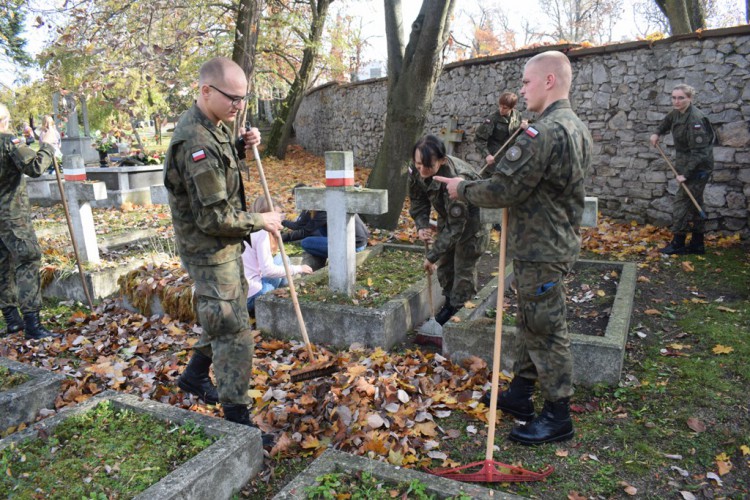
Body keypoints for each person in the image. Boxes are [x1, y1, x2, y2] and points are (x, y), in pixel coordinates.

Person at [435, 51, 593, 446]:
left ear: (549, 81)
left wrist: (462, 188)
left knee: (547, 329)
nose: (521, 91)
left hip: (542, 248)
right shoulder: (576, 127)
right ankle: (521, 395)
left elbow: (506, 189)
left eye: (526, 82)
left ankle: (558, 415)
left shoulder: (546, 132)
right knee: (531, 322)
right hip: (549, 243)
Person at [163, 57, 283, 444]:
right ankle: (237, 421)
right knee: (235, 332)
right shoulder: (195, 142)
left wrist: (241, 146)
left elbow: (222, 169)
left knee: (222, 316)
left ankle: (194, 376)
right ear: (206, 91)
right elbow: (213, 217)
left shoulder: (212, 127)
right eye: (232, 98)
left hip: (223, 248)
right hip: (210, 249)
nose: (238, 106)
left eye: (243, 99)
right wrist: (260, 221)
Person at [408, 134, 488, 329]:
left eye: (428, 166)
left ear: (441, 160)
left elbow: (457, 226)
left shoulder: (454, 178)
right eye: (418, 164)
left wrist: (432, 255)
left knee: (463, 270)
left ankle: (461, 316)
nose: (422, 170)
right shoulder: (417, 170)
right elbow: (418, 200)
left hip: (471, 223)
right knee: (446, 267)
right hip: (448, 218)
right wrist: (422, 225)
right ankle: (449, 304)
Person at [0, 104, 59, 340]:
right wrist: (48, 145)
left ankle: (12, 320)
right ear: (4, 120)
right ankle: (32, 324)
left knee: (3, 264)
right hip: (11, 215)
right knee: (27, 259)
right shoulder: (8, 142)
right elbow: (35, 167)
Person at [650, 84, 715, 255]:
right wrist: (657, 133)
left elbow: (700, 153)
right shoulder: (677, 113)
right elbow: (667, 122)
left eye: (681, 98)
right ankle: (697, 244)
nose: (676, 101)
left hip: (698, 169)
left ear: (690, 99)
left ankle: (678, 243)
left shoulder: (695, 120)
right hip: (686, 165)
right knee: (695, 203)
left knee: (681, 202)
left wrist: (685, 174)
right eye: (674, 97)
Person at [243, 196, 313, 315]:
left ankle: (283, 292)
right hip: (252, 296)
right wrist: (298, 269)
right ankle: (282, 297)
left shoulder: (245, 227)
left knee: (281, 258)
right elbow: (268, 271)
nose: (280, 220)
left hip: (240, 294)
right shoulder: (262, 232)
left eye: (281, 216)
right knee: (282, 260)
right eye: (278, 216)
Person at [281, 184, 369, 259]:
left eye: (298, 199)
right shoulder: (316, 205)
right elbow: (300, 225)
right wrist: (282, 222)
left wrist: (281, 238)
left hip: (354, 245)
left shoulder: (323, 209)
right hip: (344, 237)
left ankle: (335, 259)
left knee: (306, 242)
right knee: (315, 231)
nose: (296, 202)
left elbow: (305, 232)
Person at [475, 91, 527, 171]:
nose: (501, 110)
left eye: (505, 108)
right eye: (500, 106)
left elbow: (518, 134)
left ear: (512, 107)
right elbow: (478, 139)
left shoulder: (517, 115)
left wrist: (525, 128)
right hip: (495, 158)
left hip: (511, 157)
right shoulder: (492, 119)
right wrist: (487, 155)